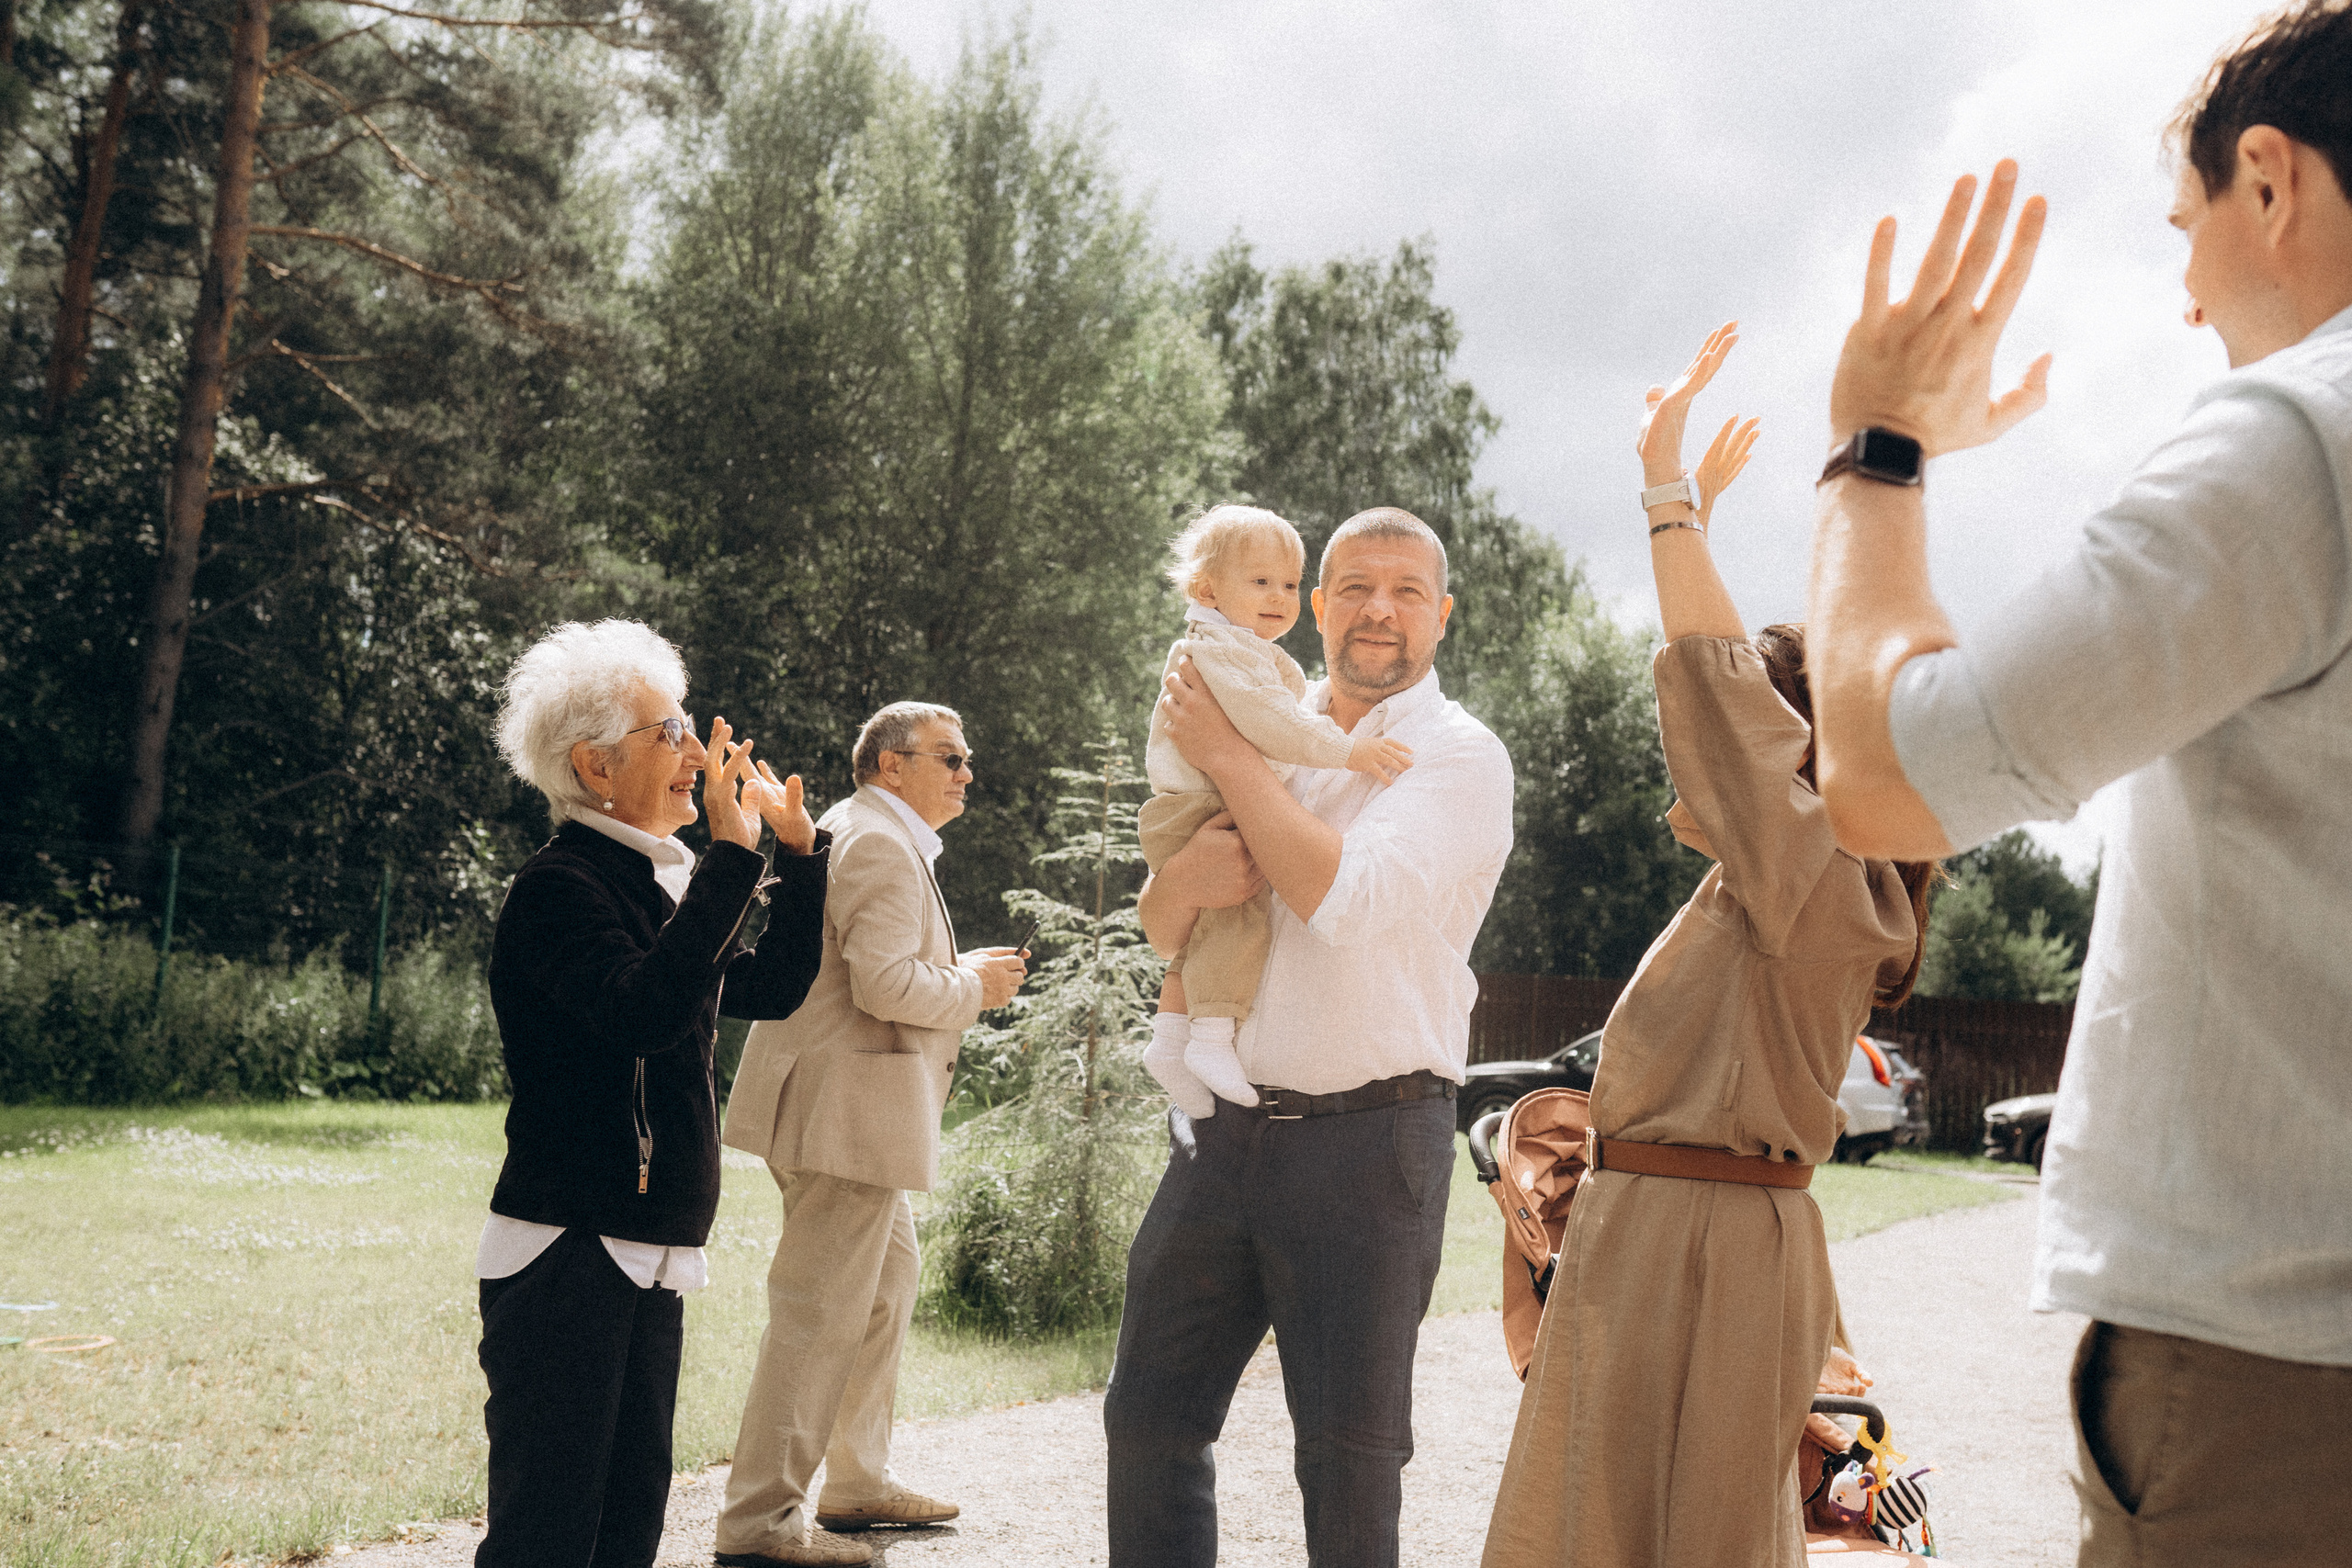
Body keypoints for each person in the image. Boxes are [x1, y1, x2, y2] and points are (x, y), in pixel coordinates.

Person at [1804, 6, 2352, 1562]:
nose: (2184, 296)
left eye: (2185, 228)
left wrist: (1877, 445)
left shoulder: (2301, 436)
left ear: (2269, 180)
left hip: (2284, 1382)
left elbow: (1889, 774)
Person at [1479, 328, 1936, 1568]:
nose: (1691, 752)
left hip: (1702, 1247)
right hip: (1669, 1235)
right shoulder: (1781, 878)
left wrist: (1669, 500)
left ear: (1792, 757)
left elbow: (1723, 696)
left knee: (1682, 1539)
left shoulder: (1822, 876)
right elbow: (1730, 706)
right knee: (1611, 1530)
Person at [1104, 508, 1515, 1568]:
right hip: (1222, 1130)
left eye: (1406, 591)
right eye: (1355, 588)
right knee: (1146, 1420)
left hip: (1368, 1145)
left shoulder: (1456, 755)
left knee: (1348, 1458)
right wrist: (1179, 880)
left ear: (1441, 615)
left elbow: (1340, 897)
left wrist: (1224, 756)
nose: (1379, 610)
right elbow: (1166, 924)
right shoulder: (1269, 714)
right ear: (1318, 606)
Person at [478, 618, 829, 1568]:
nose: (697, 755)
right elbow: (642, 1010)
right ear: (595, 767)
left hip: (649, 1245)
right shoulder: (561, 888)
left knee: (626, 1529)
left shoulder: (655, 884)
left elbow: (768, 988)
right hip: (570, 1249)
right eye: (669, 733)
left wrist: (797, 859)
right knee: (550, 1536)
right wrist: (730, 859)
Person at [716, 701, 1026, 1568]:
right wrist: (973, 987)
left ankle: (855, 1480)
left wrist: (959, 972)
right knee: (818, 1314)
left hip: (845, 1111)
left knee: (886, 1287)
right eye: (950, 757)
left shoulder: (866, 829)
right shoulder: (881, 843)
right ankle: (758, 1521)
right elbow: (885, 986)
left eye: (966, 758)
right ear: (892, 765)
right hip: (842, 1117)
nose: (967, 772)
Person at [1139, 503, 1414, 1118]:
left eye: (1288, 584)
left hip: (1194, 803)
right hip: (1198, 806)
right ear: (1207, 590)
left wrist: (1224, 752)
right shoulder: (1226, 654)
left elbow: (1342, 902)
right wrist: (1350, 751)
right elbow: (1273, 722)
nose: (1278, 597)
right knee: (1236, 915)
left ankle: (1172, 1038)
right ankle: (1209, 1038)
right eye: (1260, 581)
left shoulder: (1243, 652)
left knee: (1216, 919)